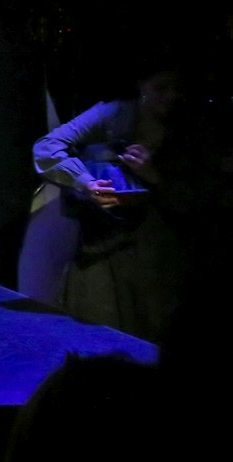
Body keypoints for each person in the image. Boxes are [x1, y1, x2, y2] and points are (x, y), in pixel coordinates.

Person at [23, 60, 193, 340]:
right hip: (105, 245)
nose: (171, 96)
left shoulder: (188, 128)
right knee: (102, 325)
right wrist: (88, 183)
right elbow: (46, 148)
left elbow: (194, 197)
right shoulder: (113, 114)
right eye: (161, 87)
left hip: (159, 246)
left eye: (178, 89)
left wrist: (152, 175)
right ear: (141, 86)